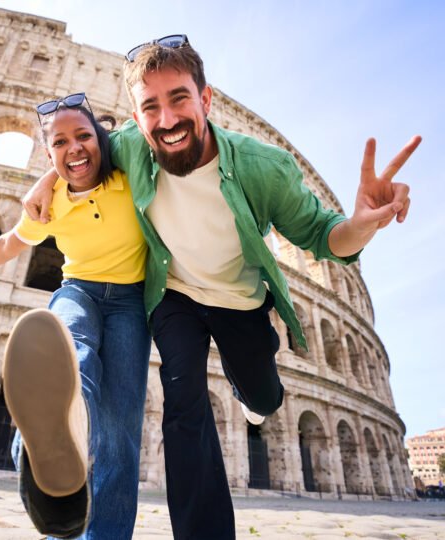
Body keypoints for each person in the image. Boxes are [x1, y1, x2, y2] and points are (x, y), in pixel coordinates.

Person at [23, 35, 421, 540]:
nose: (166, 120)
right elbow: (78, 159)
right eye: (151, 107)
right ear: (136, 116)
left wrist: (362, 223)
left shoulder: (263, 166)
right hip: (174, 294)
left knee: (264, 394)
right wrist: (45, 182)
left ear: (205, 99)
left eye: (179, 99)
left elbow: (324, 237)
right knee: (183, 397)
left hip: (239, 300)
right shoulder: (125, 145)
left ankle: (254, 389)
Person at [0, 93, 151, 539]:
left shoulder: (129, 175)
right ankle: (50, 452)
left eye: (84, 136)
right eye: (60, 143)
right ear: (48, 152)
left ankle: (92, 516)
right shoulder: (51, 200)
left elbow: (137, 134)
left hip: (132, 301)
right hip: (78, 288)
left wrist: (46, 175)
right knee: (70, 352)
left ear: (102, 139)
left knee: (121, 427)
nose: (74, 148)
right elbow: (11, 243)